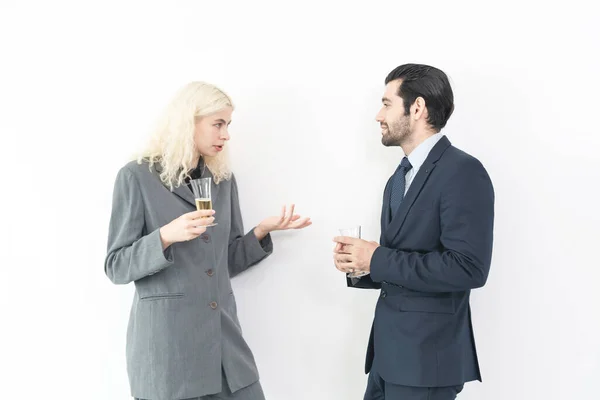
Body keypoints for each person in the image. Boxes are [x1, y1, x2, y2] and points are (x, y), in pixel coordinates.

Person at [104, 81, 311, 400]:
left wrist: (260, 233)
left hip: (224, 346)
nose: (226, 135)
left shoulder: (221, 181)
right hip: (169, 354)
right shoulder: (136, 177)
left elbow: (225, 262)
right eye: (218, 124)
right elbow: (116, 266)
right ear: (188, 121)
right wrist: (165, 236)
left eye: (228, 125)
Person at [333, 64, 495, 400]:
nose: (379, 114)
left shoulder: (462, 172)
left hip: (426, 365)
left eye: (387, 103)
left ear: (417, 108)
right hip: (386, 361)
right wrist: (362, 266)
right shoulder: (398, 178)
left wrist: (376, 257)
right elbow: (402, 263)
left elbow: (468, 268)